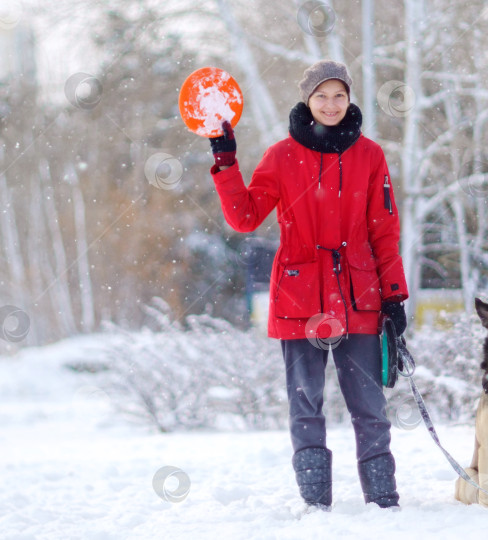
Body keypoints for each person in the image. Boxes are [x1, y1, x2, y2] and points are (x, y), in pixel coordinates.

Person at [208, 60, 409, 511]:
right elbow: (244, 217)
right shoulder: (281, 156)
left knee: (370, 408)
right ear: (307, 100)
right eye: (322, 96)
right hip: (300, 301)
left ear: (350, 98)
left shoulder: (370, 155)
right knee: (306, 405)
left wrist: (394, 296)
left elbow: (384, 231)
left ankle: (384, 499)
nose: (331, 105)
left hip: (359, 298)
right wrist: (225, 161)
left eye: (339, 95)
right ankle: (316, 503)